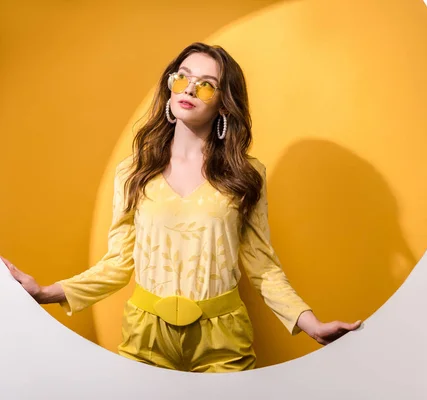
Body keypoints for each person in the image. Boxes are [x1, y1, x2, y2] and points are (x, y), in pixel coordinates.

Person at [1, 42, 362, 373]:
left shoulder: (247, 174)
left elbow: (262, 266)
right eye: (182, 77)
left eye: (206, 84)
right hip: (145, 335)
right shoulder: (135, 170)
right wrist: (45, 293)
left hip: (223, 339)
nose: (189, 88)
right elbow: (117, 264)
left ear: (224, 102)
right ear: (170, 85)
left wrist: (310, 324)